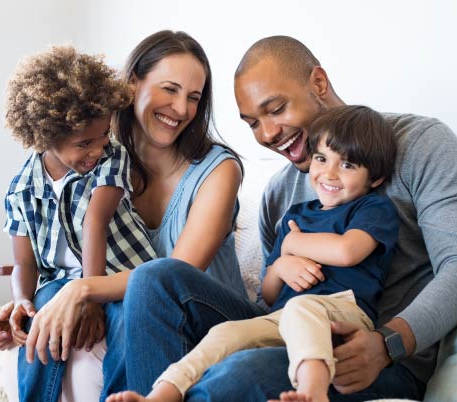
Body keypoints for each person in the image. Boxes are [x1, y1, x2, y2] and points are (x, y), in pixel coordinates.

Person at [120, 35, 457, 401]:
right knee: (155, 279)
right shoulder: (280, 192)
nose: (267, 134)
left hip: (375, 357)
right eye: (252, 123)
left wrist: (386, 344)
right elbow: (272, 297)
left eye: (277, 109)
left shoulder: (421, 143)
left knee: (237, 374)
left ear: (318, 83)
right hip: (287, 331)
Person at [0, 30, 246, 402]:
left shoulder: (219, 170)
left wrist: (82, 290)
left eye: (194, 98)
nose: (182, 109)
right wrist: (30, 306)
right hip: (132, 305)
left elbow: (169, 279)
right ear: (133, 83)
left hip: (206, 317)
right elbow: (58, 251)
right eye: (170, 89)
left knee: (145, 292)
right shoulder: (95, 162)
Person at [108, 105, 399, 402]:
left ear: (374, 179)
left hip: (341, 313)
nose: (329, 173)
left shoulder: (372, 207)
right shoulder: (296, 216)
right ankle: (159, 395)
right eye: (322, 159)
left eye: (348, 166)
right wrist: (281, 266)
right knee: (225, 335)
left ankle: (313, 393)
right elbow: (270, 293)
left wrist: (292, 245)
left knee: (303, 309)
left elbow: (348, 251)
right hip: (283, 316)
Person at [2, 46, 159, 401]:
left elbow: (95, 222)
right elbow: (24, 263)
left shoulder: (110, 157)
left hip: (120, 275)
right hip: (60, 283)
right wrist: (20, 301)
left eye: (104, 134)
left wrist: (89, 298)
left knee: (126, 319)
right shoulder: (21, 190)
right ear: (45, 136)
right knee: (41, 316)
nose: (98, 148)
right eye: (84, 143)